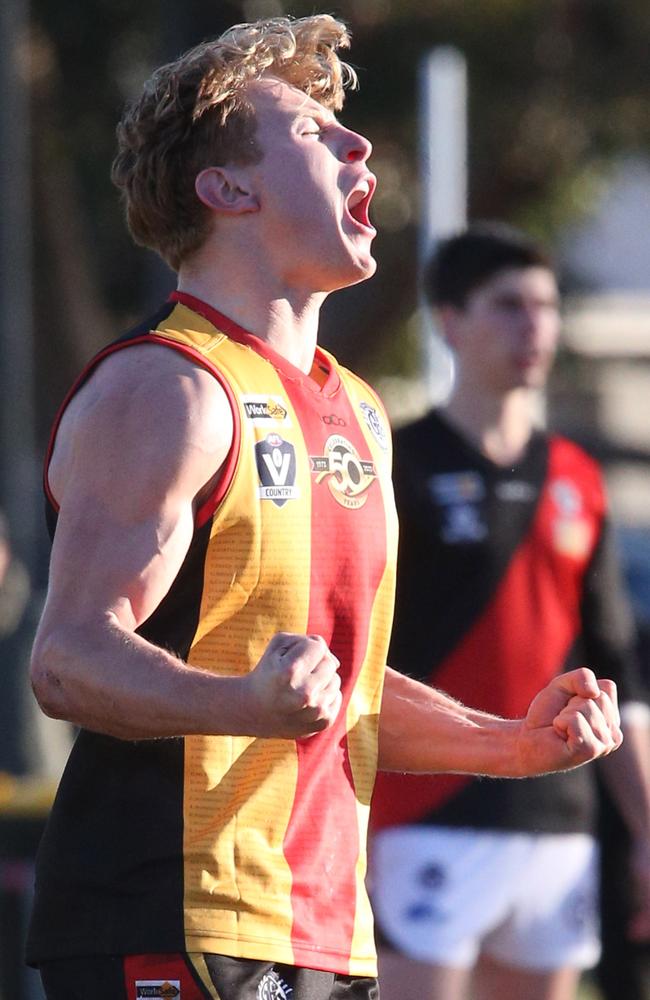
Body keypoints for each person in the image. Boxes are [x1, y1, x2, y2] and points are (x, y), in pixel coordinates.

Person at [26, 20, 622, 1000]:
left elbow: (339, 693)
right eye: (311, 131)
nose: (357, 146)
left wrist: (505, 743)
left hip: (323, 926)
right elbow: (70, 657)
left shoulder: (357, 410)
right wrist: (240, 704)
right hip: (174, 912)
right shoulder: (167, 388)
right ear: (226, 189)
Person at [369, 223, 650, 1000]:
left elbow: (616, 669)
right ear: (449, 320)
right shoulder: (394, 463)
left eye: (545, 307)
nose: (533, 327)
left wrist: (646, 829)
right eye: (508, 306)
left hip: (556, 818)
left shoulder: (578, 477)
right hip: (424, 810)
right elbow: (356, 651)